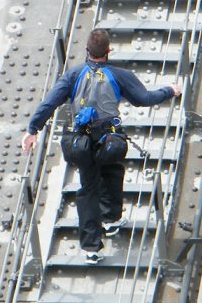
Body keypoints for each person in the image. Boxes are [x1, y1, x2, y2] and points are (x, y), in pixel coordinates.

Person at [22, 29, 182, 264]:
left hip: (82, 141)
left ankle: (91, 248)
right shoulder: (119, 75)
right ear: (108, 51)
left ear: (87, 51)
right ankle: (111, 217)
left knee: (88, 189)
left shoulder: (73, 75)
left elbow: (49, 103)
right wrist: (170, 90)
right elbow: (144, 99)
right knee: (113, 172)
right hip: (110, 139)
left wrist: (32, 130)